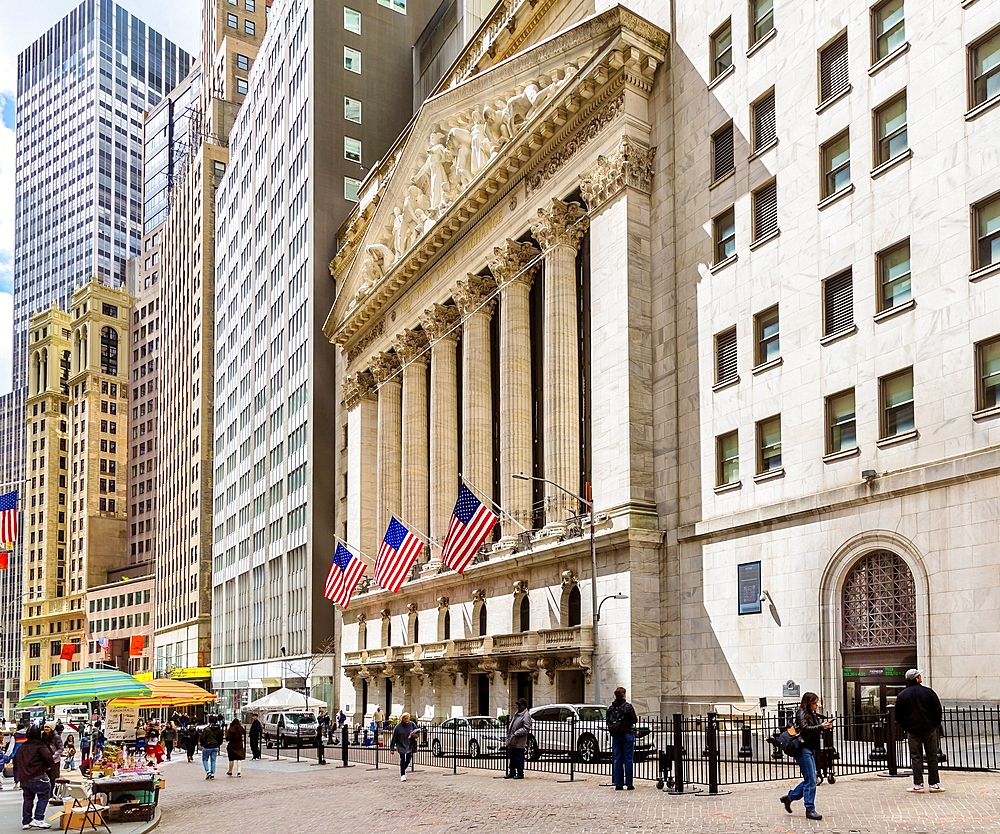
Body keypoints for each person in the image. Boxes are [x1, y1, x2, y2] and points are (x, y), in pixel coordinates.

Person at [779, 692, 832, 821]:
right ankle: (810, 809)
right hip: (802, 749)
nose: (816, 705)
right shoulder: (801, 713)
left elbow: (814, 729)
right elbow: (805, 728)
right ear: (808, 703)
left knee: (811, 779)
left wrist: (825, 727)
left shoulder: (811, 714)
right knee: (811, 780)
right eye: (814, 703)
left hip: (809, 748)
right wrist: (821, 726)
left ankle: (790, 797)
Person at [895, 669, 944, 793]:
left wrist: (906, 727)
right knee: (932, 756)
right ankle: (933, 784)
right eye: (919, 675)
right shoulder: (928, 692)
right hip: (929, 729)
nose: (921, 676)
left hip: (913, 730)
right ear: (916, 679)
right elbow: (937, 710)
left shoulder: (902, 695)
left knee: (916, 756)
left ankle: (918, 784)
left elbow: (898, 715)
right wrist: (935, 725)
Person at [14, 725, 56, 829]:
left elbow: (15, 761)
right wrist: (49, 766)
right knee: (43, 795)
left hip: (24, 777)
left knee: (28, 799)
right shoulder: (40, 745)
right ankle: (38, 818)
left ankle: (26, 821)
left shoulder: (22, 747)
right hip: (38, 775)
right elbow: (49, 758)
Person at [607, 687, 638, 791]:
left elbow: (608, 721)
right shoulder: (628, 707)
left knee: (617, 759)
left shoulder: (611, 708)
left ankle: (618, 784)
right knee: (628, 759)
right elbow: (634, 720)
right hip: (627, 734)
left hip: (616, 735)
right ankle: (629, 783)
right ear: (624, 695)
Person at [504, 698, 532, 780]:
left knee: (519, 757)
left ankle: (520, 773)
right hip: (513, 739)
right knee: (512, 756)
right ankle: (512, 772)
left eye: (520, 705)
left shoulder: (526, 715)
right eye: (518, 705)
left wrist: (516, 733)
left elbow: (526, 728)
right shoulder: (517, 714)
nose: (518, 706)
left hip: (519, 741)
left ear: (524, 706)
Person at [389, 713, 419, 782]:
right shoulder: (398, 727)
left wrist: (414, 735)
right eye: (405, 719)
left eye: (407, 718)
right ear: (402, 719)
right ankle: (402, 774)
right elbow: (394, 738)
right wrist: (392, 748)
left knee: (408, 759)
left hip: (409, 745)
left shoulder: (412, 724)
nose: (407, 720)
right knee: (402, 759)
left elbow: (417, 734)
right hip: (401, 744)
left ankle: (403, 769)